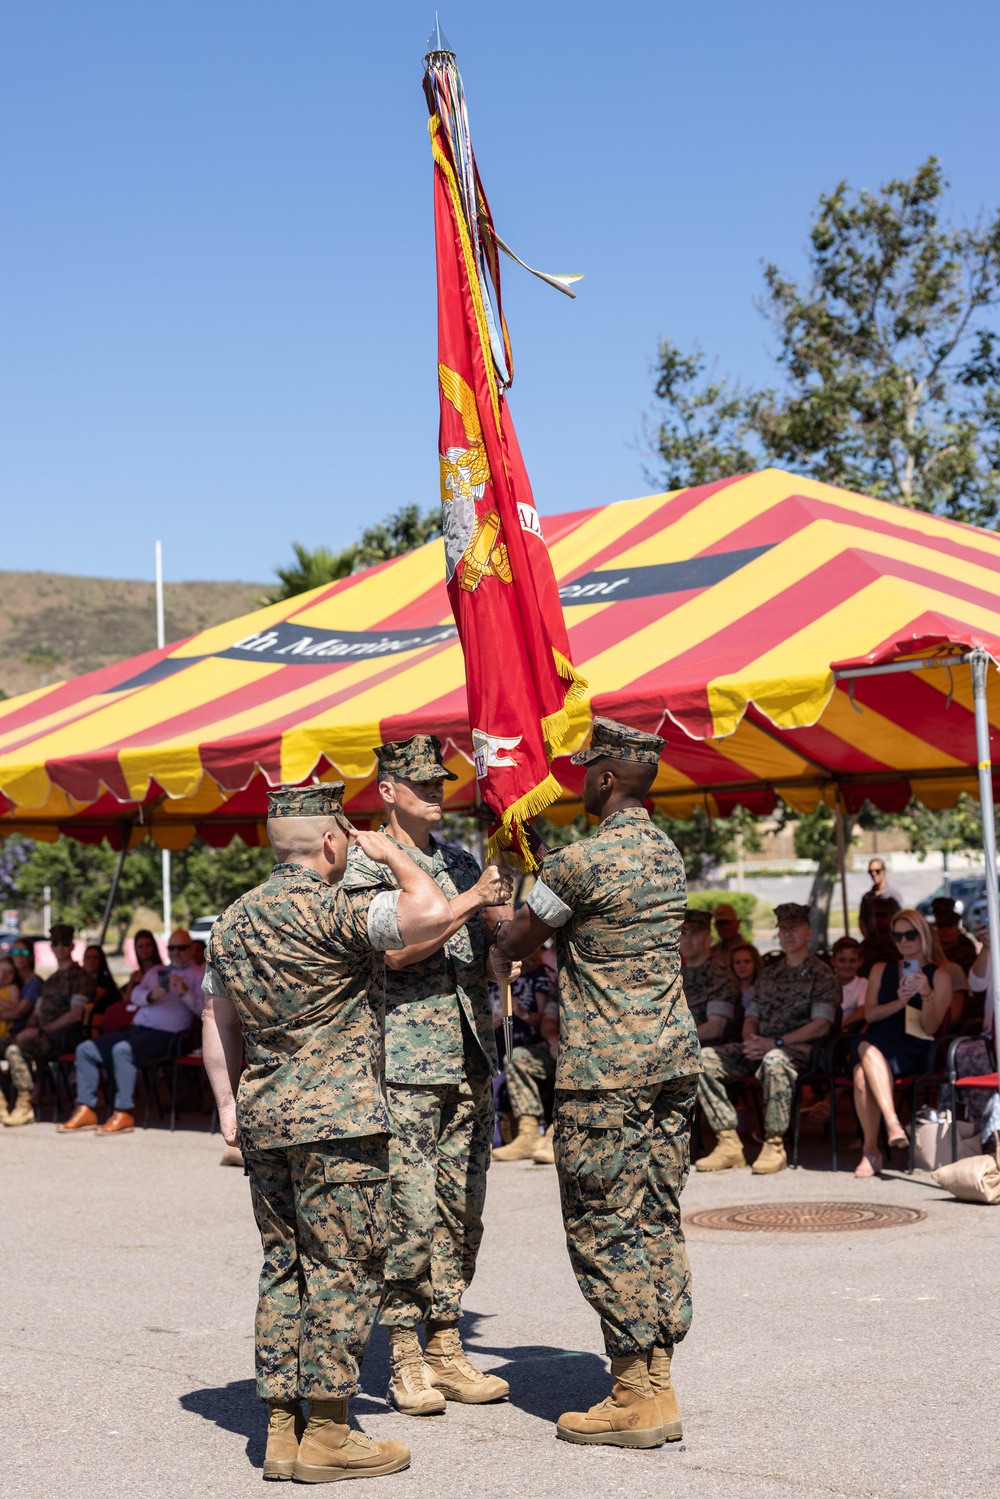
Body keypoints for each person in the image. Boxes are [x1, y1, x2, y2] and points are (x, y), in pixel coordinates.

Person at [201, 782, 452, 1483]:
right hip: (339, 1122)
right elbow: (430, 910)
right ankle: (332, 1433)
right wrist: (394, 854)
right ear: (335, 841)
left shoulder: (231, 921)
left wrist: (227, 1102)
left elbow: (216, 1019)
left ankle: (282, 1430)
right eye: (347, 835)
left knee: (285, 1266)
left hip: (266, 1117)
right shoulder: (338, 910)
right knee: (343, 1269)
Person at [496, 716, 698, 1451]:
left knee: (602, 1220)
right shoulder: (668, 855)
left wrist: (508, 900)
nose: (580, 780)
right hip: (672, 1063)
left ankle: (631, 1394)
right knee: (654, 1213)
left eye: (588, 770)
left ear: (609, 778)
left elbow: (520, 939)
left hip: (605, 1071)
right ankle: (660, 1378)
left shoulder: (577, 863)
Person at [347, 735, 513, 1417]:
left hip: (469, 1057)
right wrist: (471, 901)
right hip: (408, 1063)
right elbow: (394, 952)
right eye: (420, 783)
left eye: (440, 782)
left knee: (460, 1212)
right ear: (386, 790)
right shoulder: (369, 862)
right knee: (408, 1215)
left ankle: (446, 1341)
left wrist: (505, 917)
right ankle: (405, 1353)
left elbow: (485, 949)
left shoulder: (460, 858)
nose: (435, 792)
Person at [695, 902, 839, 1175]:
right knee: (703, 1059)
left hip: (801, 1050)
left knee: (774, 1060)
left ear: (808, 931)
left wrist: (776, 1043)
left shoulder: (821, 974)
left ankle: (774, 1144)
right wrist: (750, 1039)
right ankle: (728, 1142)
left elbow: (821, 1025)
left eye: (793, 928)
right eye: (782, 929)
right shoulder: (770, 974)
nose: (787, 934)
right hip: (762, 1045)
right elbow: (752, 1015)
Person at [57, 929, 205, 1135]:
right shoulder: (157, 972)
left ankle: (123, 1111)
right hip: (138, 1029)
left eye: (182, 947)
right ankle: (86, 1109)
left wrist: (184, 992)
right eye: (172, 948)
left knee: (122, 1050)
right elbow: (134, 995)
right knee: (86, 1049)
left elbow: (204, 1011)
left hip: (169, 1036)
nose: (177, 952)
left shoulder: (200, 974)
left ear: (191, 949)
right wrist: (150, 996)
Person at [852, 908, 952, 1178]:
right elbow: (870, 1014)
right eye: (897, 936)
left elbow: (931, 1028)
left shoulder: (939, 976)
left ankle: (871, 1151)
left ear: (924, 936)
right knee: (866, 1046)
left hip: (914, 1046)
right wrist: (900, 1001)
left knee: (862, 1074)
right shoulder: (880, 969)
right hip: (879, 1036)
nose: (904, 941)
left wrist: (926, 994)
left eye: (911, 934)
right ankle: (892, 1122)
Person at [2, 924, 95, 1128]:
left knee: (14, 1050)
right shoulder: (51, 980)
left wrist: (43, 1030)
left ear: (72, 946)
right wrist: (29, 1027)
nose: (59, 948)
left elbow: (75, 1015)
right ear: (50, 947)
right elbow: (37, 1011)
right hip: (40, 1034)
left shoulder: (80, 978)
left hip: (63, 1037)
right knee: (9, 1043)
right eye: (55, 943)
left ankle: (25, 1104)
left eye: (64, 943)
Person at [491, 946, 559, 1164]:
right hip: (555, 1045)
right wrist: (553, 1039)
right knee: (518, 1056)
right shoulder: (562, 981)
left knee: (574, 1059)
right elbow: (548, 1020)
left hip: (586, 1049)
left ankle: (556, 1134)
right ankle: (528, 1134)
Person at [679, 909, 738, 1044]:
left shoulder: (720, 974)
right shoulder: (675, 973)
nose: (687, 940)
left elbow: (715, 1028)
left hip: (708, 1049)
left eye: (694, 934)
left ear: (708, 940)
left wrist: (674, 1041)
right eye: (683, 934)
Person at [858, 860, 904, 939]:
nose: (874, 874)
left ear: (884, 871)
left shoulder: (893, 895)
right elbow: (862, 921)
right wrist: (869, 939)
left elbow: (898, 919)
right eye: (870, 871)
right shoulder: (867, 897)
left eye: (877, 871)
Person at [931, 897, 978, 974]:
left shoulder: (965, 945)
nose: (944, 930)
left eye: (949, 926)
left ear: (957, 929)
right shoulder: (931, 945)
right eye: (940, 926)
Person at [859, 895, 901, 976]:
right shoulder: (866, 945)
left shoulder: (901, 942)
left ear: (892, 916)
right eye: (876, 915)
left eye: (883, 915)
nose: (879, 919)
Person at [831, 936, 867, 1030]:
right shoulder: (825, 983)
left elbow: (863, 1012)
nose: (847, 965)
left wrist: (837, 1027)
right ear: (833, 961)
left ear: (860, 962)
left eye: (852, 960)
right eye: (842, 960)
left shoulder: (863, 984)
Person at [9, 940, 42, 1027]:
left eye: (24, 952)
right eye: (15, 952)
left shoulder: (35, 982)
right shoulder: (10, 979)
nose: (20, 955)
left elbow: (19, 1013)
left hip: (22, 1031)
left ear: (31, 957)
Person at [121, 929, 161, 1000]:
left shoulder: (162, 972)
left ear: (154, 946)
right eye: (140, 946)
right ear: (136, 949)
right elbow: (127, 1001)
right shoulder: (134, 975)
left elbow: (167, 997)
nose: (144, 949)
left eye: (148, 945)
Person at [82, 943, 121, 1015]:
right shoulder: (80, 979)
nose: (91, 961)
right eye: (88, 957)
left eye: (95, 958)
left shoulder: (105, 981)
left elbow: (90, 1000)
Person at [729, 942, 762, 1009]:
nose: (742, 966)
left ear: (755, 963)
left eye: (747, 961)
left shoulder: (763, 989)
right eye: (737, 962)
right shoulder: (726, 990)